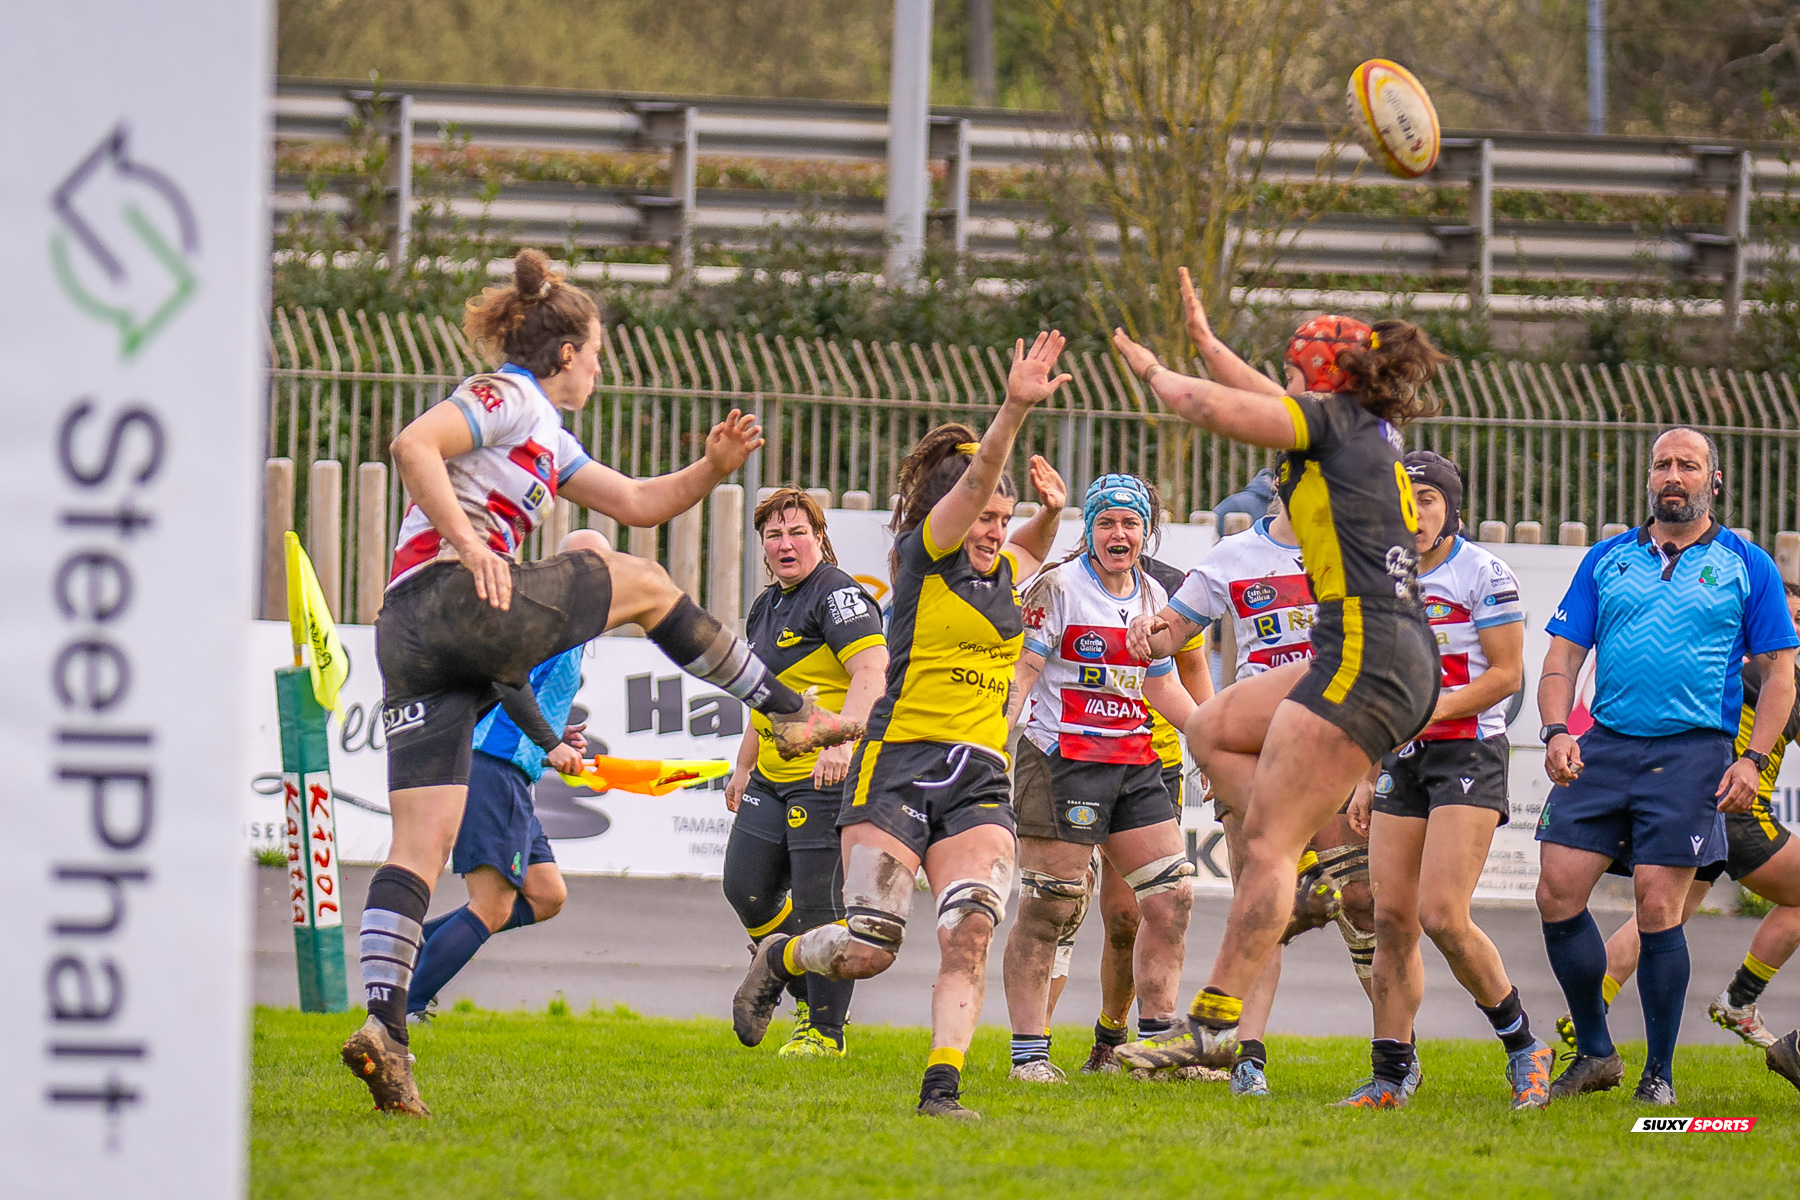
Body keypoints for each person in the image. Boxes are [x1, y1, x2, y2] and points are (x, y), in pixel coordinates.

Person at [342, 249, 862, 1116]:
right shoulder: (510, 396)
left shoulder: (551, 436)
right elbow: (412, 444)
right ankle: (794, 713)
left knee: (417, 848)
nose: (600, 364)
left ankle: (384, 1030)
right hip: (459, 595)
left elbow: (640, 500)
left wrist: (713, 470)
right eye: (595, 350)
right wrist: (470, 546)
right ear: (564, 351)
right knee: (647, 585)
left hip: (408, 637)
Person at [1110, 269, 1447, 1077]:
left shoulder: (1333, 423)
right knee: (1212, 726)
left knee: (1263, 844)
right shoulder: (1352, 425)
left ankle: (1217, 1023)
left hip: (1370, 650)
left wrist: (1158, 372)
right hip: (1373, 648)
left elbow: (1215, 410)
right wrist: (1208, 344)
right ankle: (1317, 862)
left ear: (1319, 380)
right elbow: (1263, 400)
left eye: (1292, 371)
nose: (1285, 384)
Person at [731, 332, 1074, 1120]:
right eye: (982, 515)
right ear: (953, 513)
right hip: (896, 769)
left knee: (971, 930)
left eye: (1003, 517)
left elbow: (1026, 544)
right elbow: (981, 478)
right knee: (868, 951)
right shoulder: (922, 556)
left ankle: (941, 1089)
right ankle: (782, 956)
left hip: (979, 772)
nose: (994, 527)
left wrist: (1049, 511)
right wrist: (1014, 408)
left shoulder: (1012, 569)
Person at [1535, 426, 1798, 1107]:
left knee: (1658, 902)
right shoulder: (1607, 558)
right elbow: (1562, 658)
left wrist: (1752, 758)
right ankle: (1595, 1051)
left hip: (1693, 753)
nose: (1672, 474)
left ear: (1714, 482)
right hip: (1606, 744)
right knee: (1557, 891)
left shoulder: (1748, 564)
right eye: (1662, 464)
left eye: (1687, 464)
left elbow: (1779, 677)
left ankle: (1659, 1074)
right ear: (1649, 479)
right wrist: (1558, 729)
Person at [1129, 494, 1380, 1098]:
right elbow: (1175, 629)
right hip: (1260, 751)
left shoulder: (1359, 553)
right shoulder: (1234, 556)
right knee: (1260, 902)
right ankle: (1248, 1060)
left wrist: (1372, 772)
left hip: (1338, 742)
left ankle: (1395, 1054)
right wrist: (1149, 629)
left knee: (1365, 902)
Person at [1342, 451, 1552, 1110]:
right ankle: (1390, 1077)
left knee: (1441, 915)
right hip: (1401, 758)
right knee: (1392, 919)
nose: (1417, 511)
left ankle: (1525, 1048)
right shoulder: (1385, 575)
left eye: (1428, 498)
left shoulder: (1483, 572)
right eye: (1406, 498)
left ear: (1450, 507)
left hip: (1470, 755)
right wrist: (1363, 772)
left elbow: (1507, 674)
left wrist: (1427, 711)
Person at [1000, 474, 1201, 1083]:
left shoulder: (1152, 596)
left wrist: (1214, 743)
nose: (1119, 534)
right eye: (1107, 522)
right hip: (1061, 760)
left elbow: (1164, 684)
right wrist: (991, 745)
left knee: (1171, 897)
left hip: (1135, 761)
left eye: (1130, 523)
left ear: (1146, 532)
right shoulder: (1056, 588)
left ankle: (1155, 1051)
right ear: (1089, 529)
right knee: (1049, 906)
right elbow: (1024, 672)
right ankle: (1029, 1056)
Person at [1551, 582, 1800, 1063]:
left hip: (1701, 806)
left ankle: (1593, 1007)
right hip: (1736, 813)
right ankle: (1740, 1001)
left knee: (1664, 916)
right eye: (1786, 616)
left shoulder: (1778, 678)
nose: (1792, 626)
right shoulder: (1751, 671)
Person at [402, 528, 606, 1023]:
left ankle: (410, 950)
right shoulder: (549, 617)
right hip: (492, 765)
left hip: (510, 768)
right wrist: (551, 743)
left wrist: (559, 731)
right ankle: (403, 1008)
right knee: (491, 905)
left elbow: (525, 691)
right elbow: (507, 682)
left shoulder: (570, 624)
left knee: (546, 894)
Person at [722, 488, 889, 1058]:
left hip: (825, 773)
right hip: (769, 772)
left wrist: (841, 741)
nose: (785, 544)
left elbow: (873, 670)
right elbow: (764, 697)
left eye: (797, 532)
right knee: (745, 888)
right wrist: (743, 764)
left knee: (821, 903)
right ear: (762, 546)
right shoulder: (766, 604)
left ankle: (824, 1031)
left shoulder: (838, 596)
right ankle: (782, 970)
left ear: (819, 537)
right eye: (774, 535)